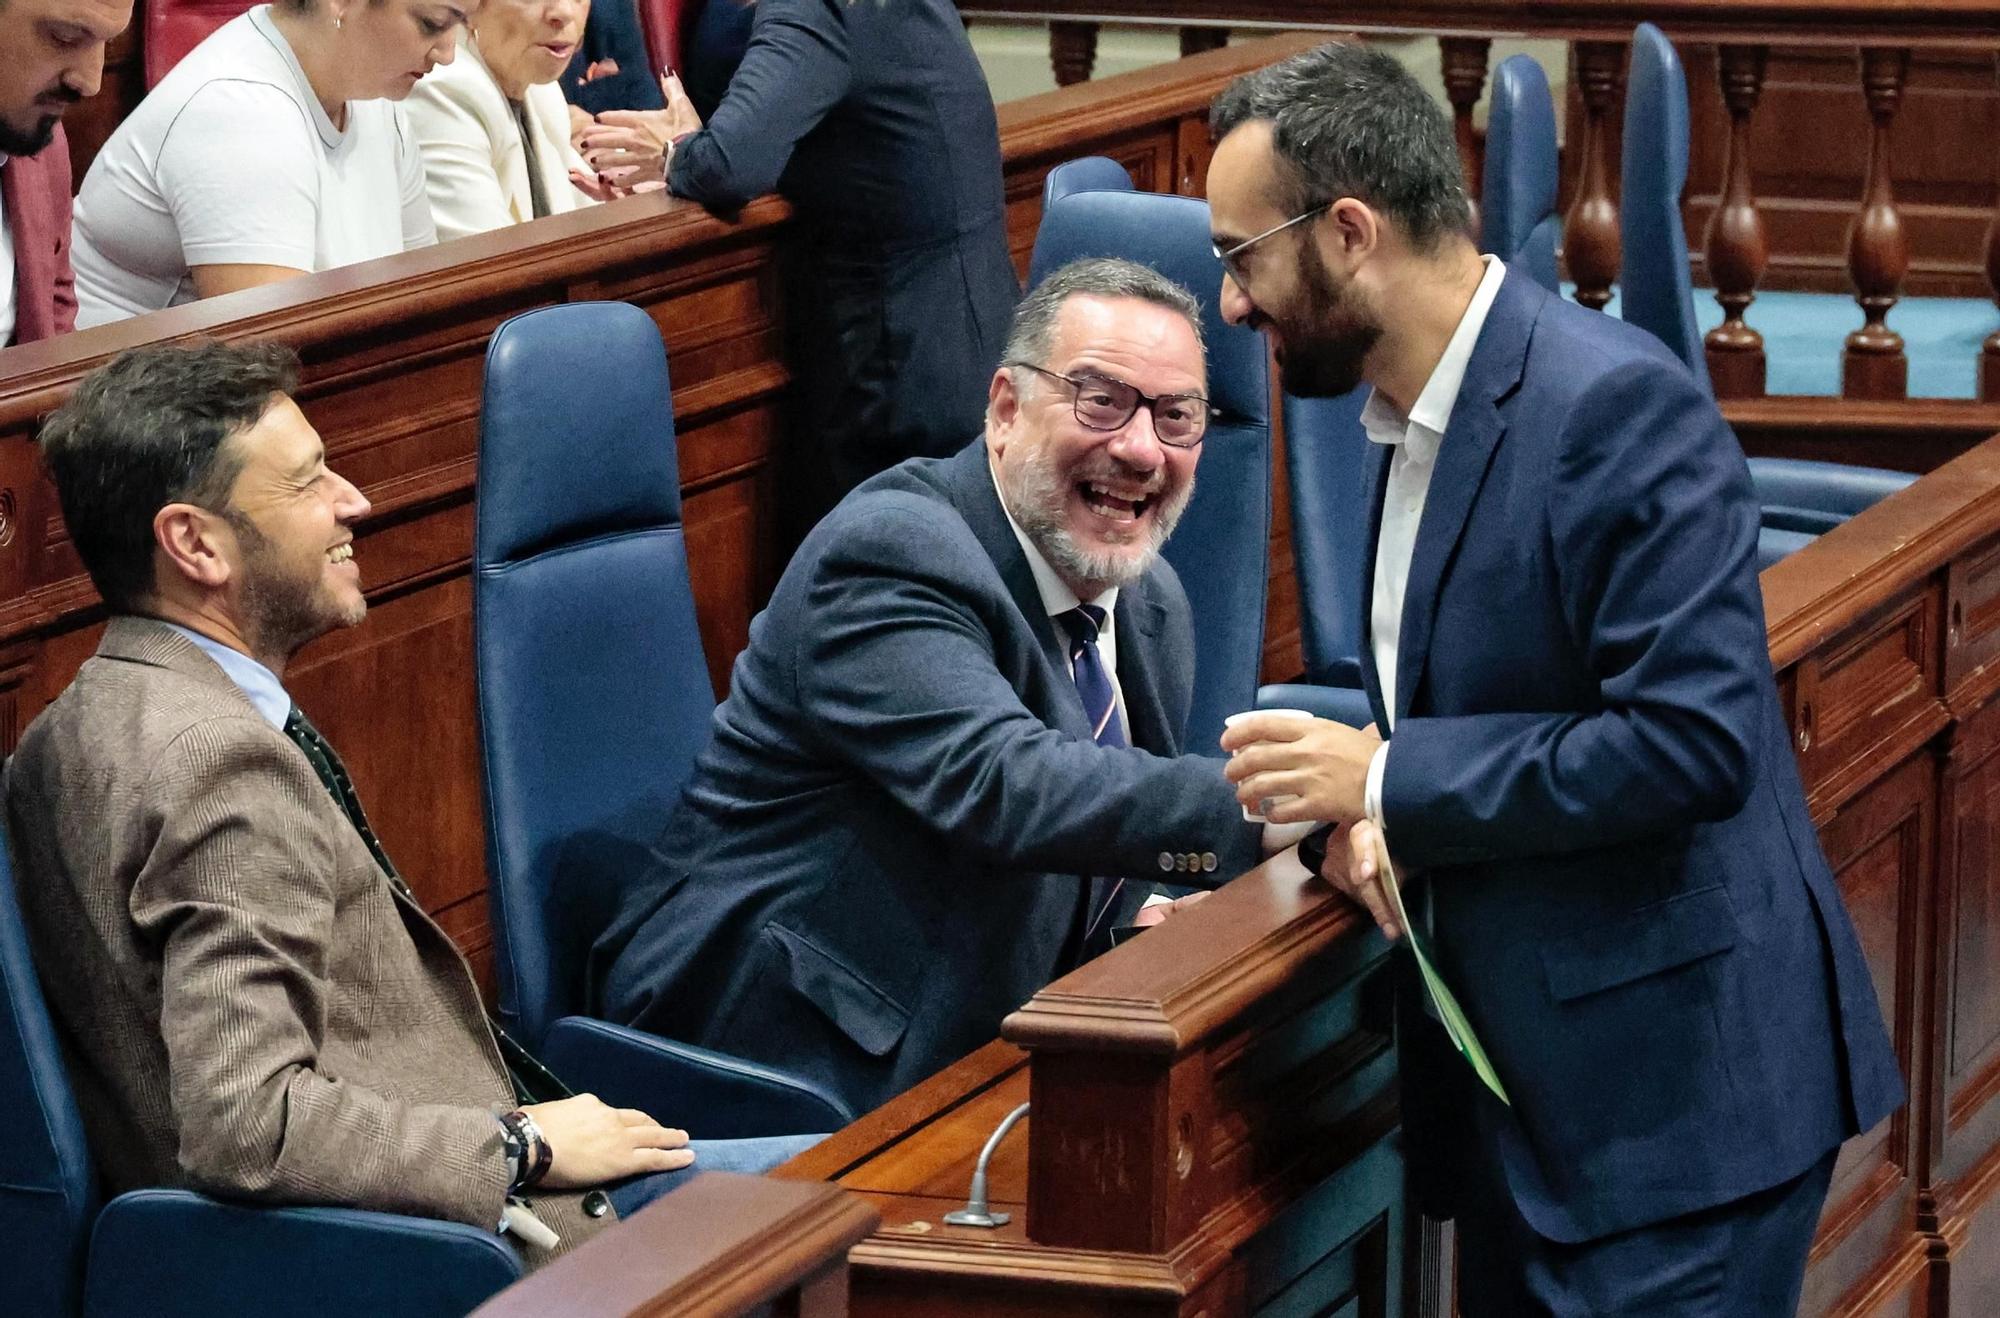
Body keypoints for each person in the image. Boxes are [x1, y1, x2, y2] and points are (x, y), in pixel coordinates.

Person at [1204, 44, 1902, 1314]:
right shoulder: (1401, 417)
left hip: (1674, 1125)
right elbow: (1482, 704)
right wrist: (1380, 829)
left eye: (1239, 255)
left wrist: (1392, 777)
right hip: (1538, 1110)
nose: (1232, 306)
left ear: (1348, 231)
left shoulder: (1610, 410)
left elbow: (1689, 743)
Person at [6, 341, 817, 1267]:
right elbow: (248, 1124)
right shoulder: (217, 762)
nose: (355, 501)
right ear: (195, 543)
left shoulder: (65, 725)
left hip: (407, 1222)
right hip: (454, 1248)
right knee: (888, 1199)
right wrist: (521, 1145)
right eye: (309, 483)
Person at [592, 258, 1291, 1116]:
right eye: (1100, 400)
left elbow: (1085, 825)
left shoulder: (1150, 608)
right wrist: (1286, 803)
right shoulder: (893, 552)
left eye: (1176, 417)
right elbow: (1006, 784)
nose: (1141, 449)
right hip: (783, 1055)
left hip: (983, 1030)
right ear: (1006, 409)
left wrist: (1138, 908)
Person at [580, 0, 1019, 525]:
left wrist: (677, 148)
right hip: (977, 339)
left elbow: (728, 166)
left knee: (885, 586)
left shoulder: (815, 7)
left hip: (894, 376)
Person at [70, 0, 453, 327]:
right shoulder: (236, 111)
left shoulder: (380, 99)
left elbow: (425, 297)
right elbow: (268, 361)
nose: (448, 53)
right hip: (137, 401)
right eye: (431, 24)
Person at [406, 0, 605, 240]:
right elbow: (488, 261)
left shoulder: (543, 93)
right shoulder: (442, 89)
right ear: (469, 8)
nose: (563, 12)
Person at [0, 0, 131, 346]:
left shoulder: (42, 144)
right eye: (65, 37)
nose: (90, 82)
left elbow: (54, 311)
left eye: (109, 43)